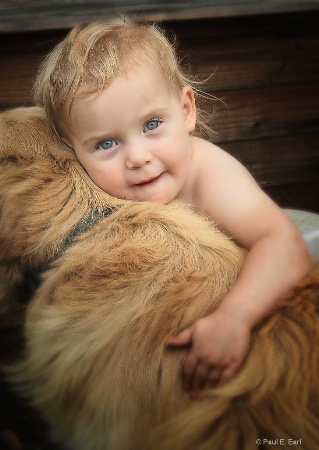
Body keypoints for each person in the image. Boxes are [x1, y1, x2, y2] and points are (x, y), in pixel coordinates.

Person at [33, 18, 311, 399]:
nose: (137, 157)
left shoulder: (208, 175)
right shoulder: (95, 191)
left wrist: (234, 319)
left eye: (151, 124)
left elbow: (282, 243)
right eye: (105, 144)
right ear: (73, 148)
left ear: (186, 110)